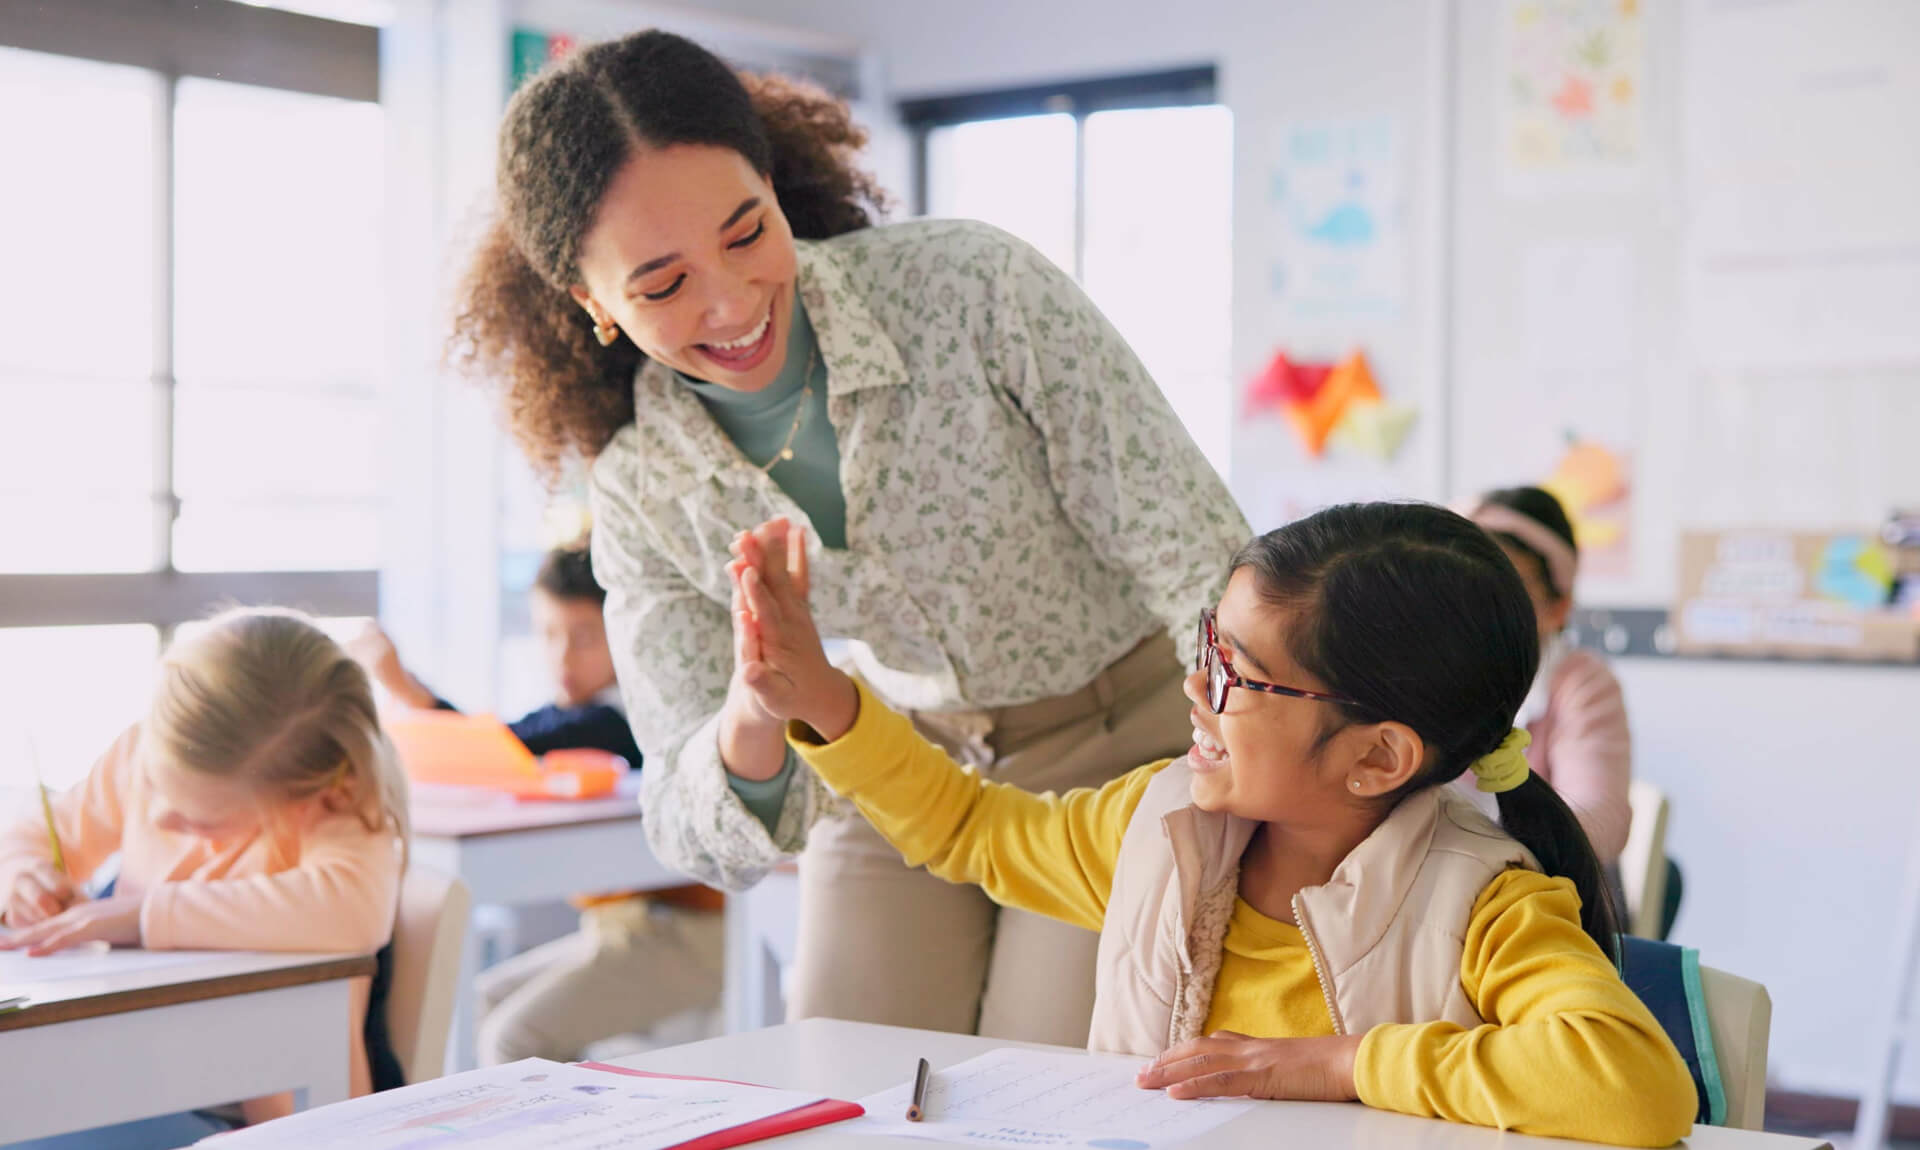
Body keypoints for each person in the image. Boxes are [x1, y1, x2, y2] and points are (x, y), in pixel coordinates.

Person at [450, 28, 1248, 1045]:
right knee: (846, 1081)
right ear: (589, 302)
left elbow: (1200, 559)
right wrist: (753, 707)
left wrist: (1244, 776)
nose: (730, 302)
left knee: (1034, 1085)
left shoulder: (971, 292)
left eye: (745, 233)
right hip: (890, 769)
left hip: (1121, 753)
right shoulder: (643, 485)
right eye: (661, 285)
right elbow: (689, 821)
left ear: (776, 185)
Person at [720, 504, 1695, 1147]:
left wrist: (1340, 1063)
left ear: (1378, 756)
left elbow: (1636, 1085)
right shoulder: (1158, 828)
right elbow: (970, 829)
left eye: (1234, 673)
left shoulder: (1482, 904)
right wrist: (828, 701)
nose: (1195, 688)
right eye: (1203, 647)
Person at [0, 608, 408, 1148]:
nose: (163, 818)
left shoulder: (335, 812)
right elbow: (39, 831)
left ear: (304, 798)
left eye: (202, 822)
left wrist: (142, 917)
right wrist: (25, 874)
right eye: (155, 785)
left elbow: (356, 909)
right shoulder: (141, 753)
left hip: (261, 1116)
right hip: (133, 1066)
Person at [351, 544, 724, 1065]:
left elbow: (503, 749)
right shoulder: (582, 712)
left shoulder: (621, 723)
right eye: (549, 635)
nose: (564, 657)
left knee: (512, 1038)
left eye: (585, 638)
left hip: (685, 938)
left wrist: (404, 688)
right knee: (480, 1003)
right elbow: (514, 741)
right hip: (620, 933)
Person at [1464, 486, 1632, 862]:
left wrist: (1489, 864)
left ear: (1558, 608)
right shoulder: (1423, 670)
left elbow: (1598, 818)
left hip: (1542, 894)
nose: (1477, 610)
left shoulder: (1580, 683)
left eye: (1506, 592)